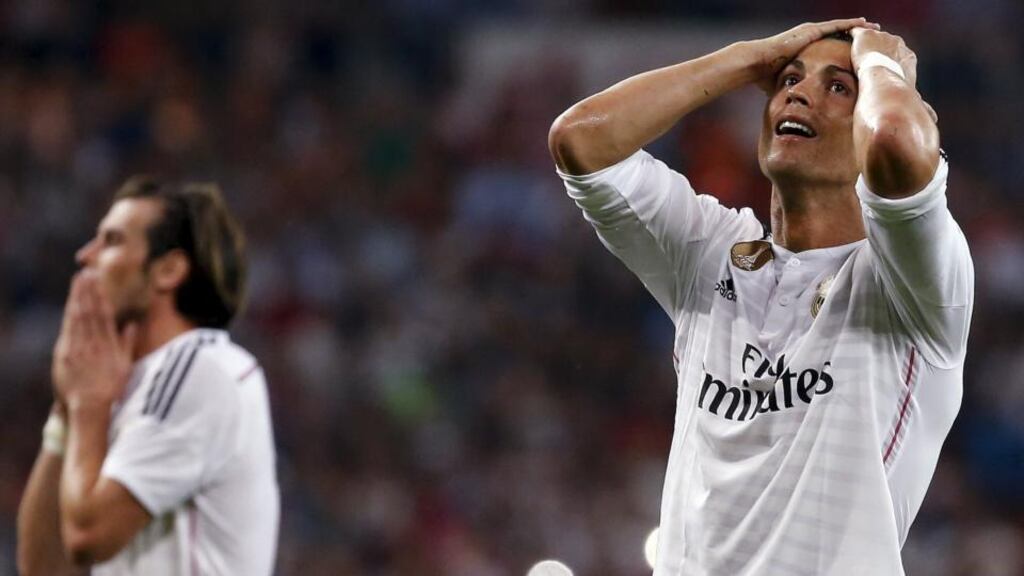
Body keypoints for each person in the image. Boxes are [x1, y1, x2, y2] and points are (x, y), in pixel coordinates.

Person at [549, 18, 973, 575]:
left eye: (838, 87)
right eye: (790, 80)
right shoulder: (711, 252)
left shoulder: (914, 285)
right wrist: (748, 59)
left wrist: (881, 62)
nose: (797, 92)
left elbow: (896, 136)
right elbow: (581, 140)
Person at [17, 178, 279, 575]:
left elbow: (88, 534)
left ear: (169, 270)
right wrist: (66, 414)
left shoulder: (204, 368)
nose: (85, 255)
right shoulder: (118, 390)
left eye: (112, 241)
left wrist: (87, 406)